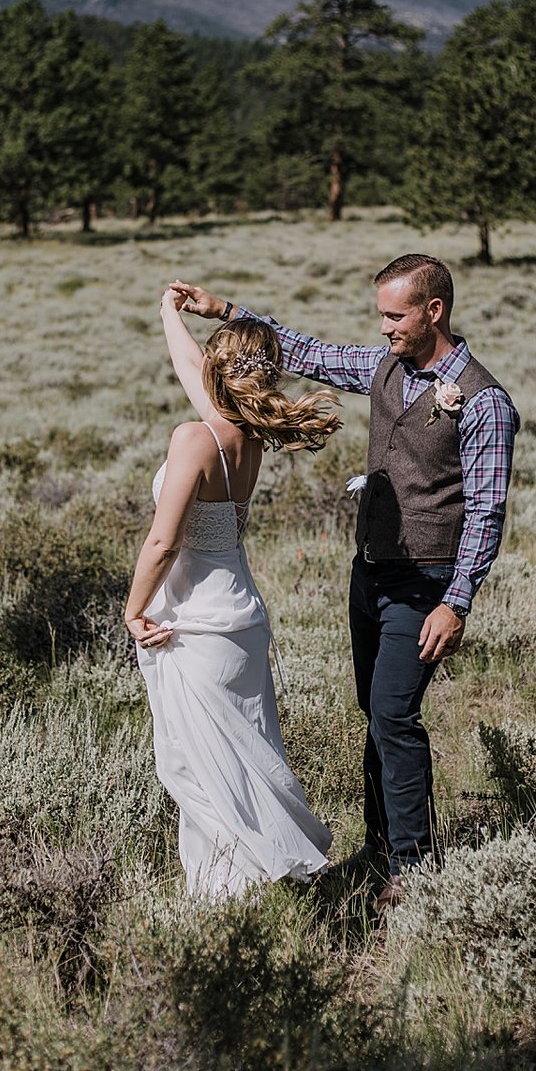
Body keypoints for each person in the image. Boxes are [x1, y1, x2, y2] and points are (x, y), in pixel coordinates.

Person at [170, 255, 520, 911]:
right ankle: (381, 846)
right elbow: (308, 351)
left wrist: (456, 601)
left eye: (395, 314)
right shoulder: (387, 368)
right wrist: (224, 312)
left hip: (425, 583)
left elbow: (486, 511)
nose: (384, 326)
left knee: (394, 715)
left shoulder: (484, 402)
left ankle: (413, 870)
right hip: (370, 574)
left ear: (433, 311)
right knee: (375, 714)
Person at [124, 286, 339, 900]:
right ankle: (243, 888)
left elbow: (163, 543)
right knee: (242, 758)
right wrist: (168, 312)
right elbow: (192, 369)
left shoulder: (196, 438)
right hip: (238, 618)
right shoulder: (245, 432)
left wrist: (132, 609)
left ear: (220, 374)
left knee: (197, 769)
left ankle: (226, 898)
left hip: (195, 623)